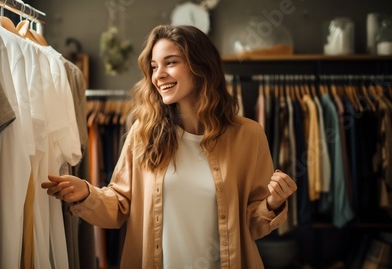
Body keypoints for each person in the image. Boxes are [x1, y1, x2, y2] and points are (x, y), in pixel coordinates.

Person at [41, 24, 297, 268]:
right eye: (153, 67)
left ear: (201, 67)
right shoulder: (143, 134)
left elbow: (251, 226)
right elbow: (119, 205)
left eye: (170, 62)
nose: (158, 75)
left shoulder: (248, 135)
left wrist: (273, 203)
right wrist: (86, 194)